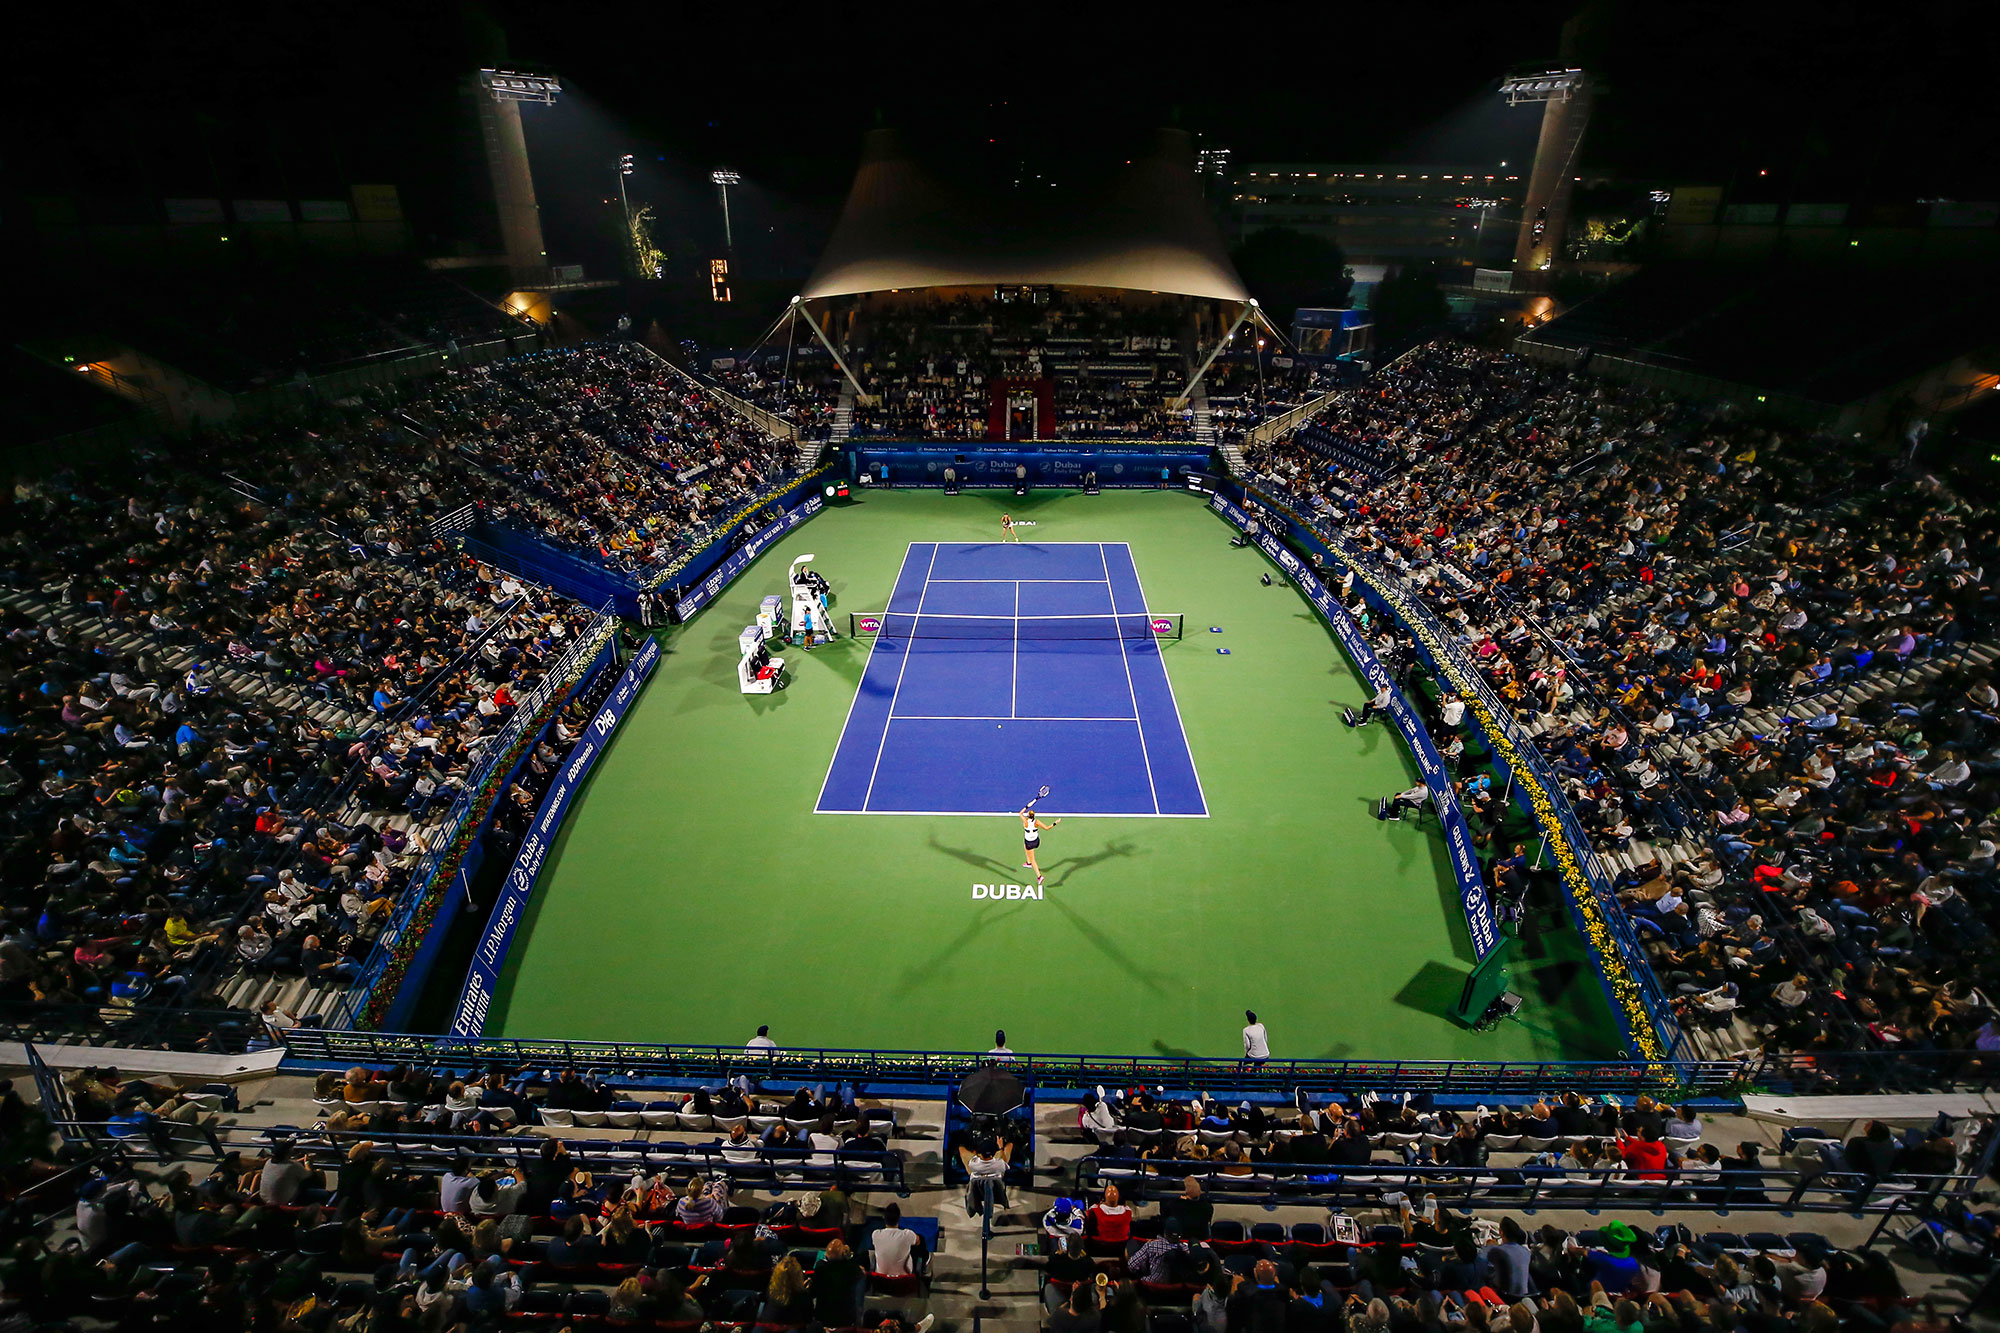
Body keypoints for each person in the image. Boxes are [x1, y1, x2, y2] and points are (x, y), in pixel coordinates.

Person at [870, 1203, 923, 1277]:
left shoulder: (876, 1234)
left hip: (881, 1279)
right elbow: (918, 1241)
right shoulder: (907, 1234)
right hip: (903, 1279)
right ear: (899, 1219)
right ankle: (923, 1270)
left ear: (884, 1219)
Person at [1020, 807, 1061, 886]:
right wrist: (1055, 822)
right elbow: (1047, 828)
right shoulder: (1037, 822)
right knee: (1025, 845)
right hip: (1036, 842)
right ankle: (1028, 863)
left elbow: (1020, 813)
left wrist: (1026, 807)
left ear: (1028, 816)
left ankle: (1039, 876)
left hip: (1029, 843)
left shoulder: (1025, 821)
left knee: (1033, 860)